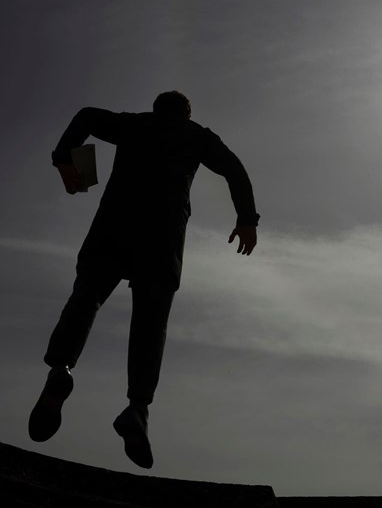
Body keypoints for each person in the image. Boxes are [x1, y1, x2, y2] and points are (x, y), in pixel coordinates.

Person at [28, 91, 260, 469]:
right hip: (163, 236)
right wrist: (247, 219)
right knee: (151, 323)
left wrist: (64, 158)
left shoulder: (133, 124)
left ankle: (61, 368)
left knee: (86, 296)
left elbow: (86, 115)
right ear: (187, 114)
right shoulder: (197, 136)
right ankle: (137, 407)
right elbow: (235, 169)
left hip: (114, 226)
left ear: (155, 109)